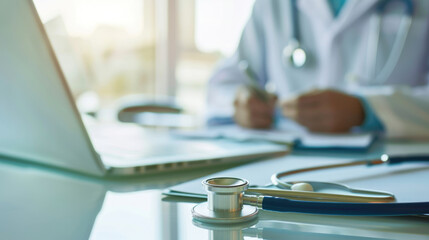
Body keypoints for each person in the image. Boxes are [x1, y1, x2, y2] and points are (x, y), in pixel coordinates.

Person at [207, 0, 429, 139]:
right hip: (286, 165)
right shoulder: (272, 4)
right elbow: (224, 83)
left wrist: (366, 110)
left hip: (390, 164)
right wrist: (240, 102)